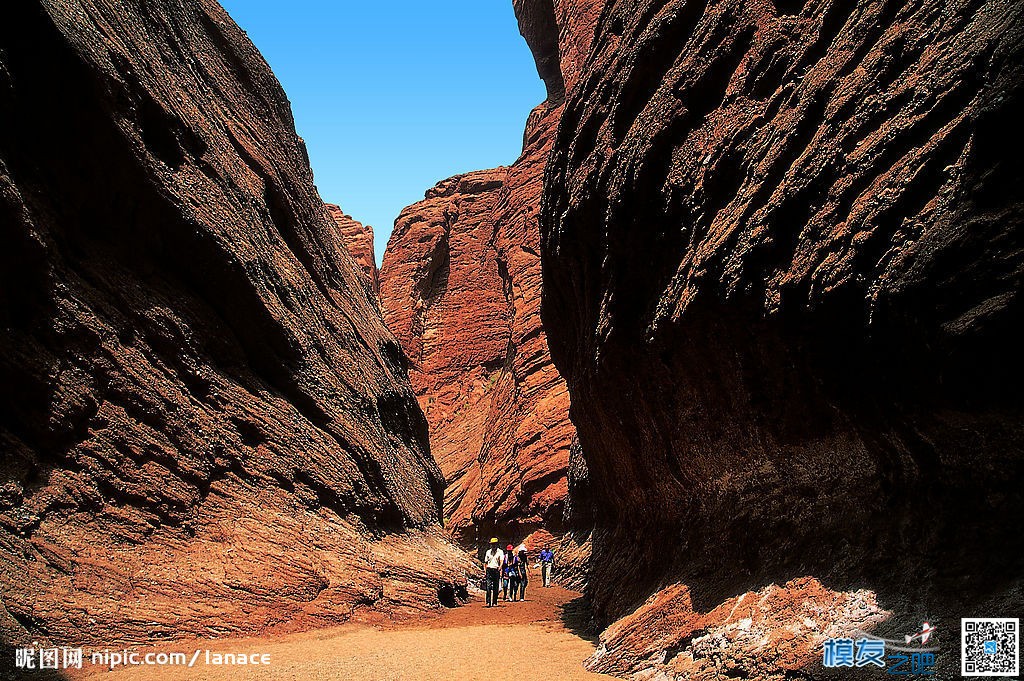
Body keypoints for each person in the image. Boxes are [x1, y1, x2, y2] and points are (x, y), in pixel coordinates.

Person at [484, 538, 504, 607]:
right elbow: (486, 562)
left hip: (496, 570)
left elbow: (501, 561)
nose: (493, 545)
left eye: (494, 544)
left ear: (497, 544)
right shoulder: (488, 552)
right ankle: (488, 601)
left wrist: (500, 567)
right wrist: (485, 571)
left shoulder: (500, 552)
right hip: (489, 570)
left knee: (496, 587)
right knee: (488, 586)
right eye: (492, 544)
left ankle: (494, 602)